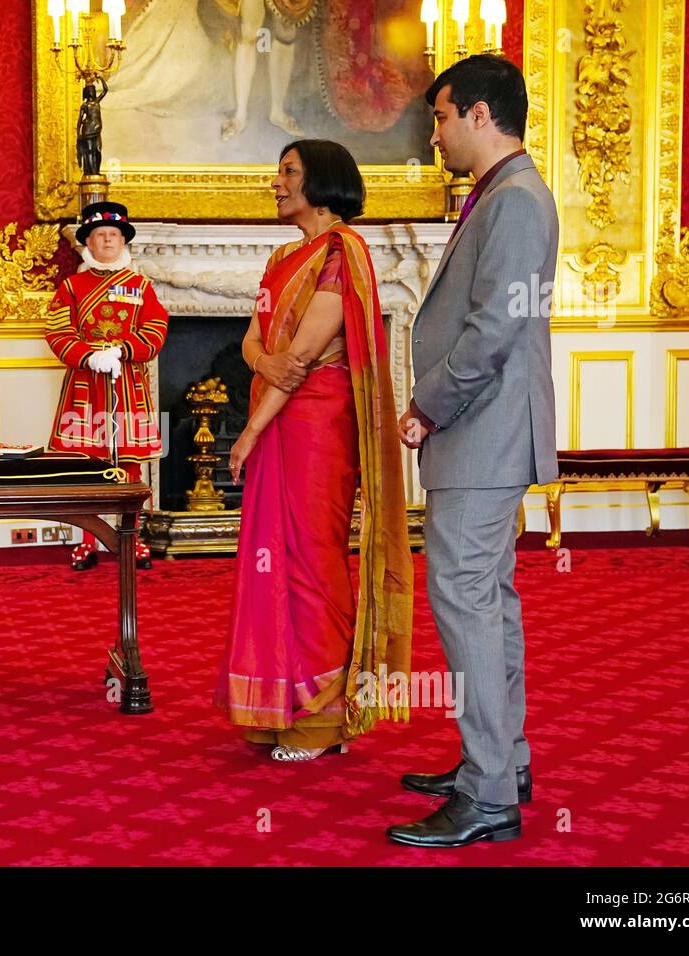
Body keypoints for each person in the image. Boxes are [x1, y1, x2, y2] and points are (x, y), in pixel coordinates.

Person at [386, 55, 559, 847]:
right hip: (484, 434)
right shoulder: (503, 194)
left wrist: (427, 405)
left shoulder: (517, 200)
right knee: (489, 601)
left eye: (443, 116)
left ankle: (489, 794)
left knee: (466, 606)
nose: (436, 133)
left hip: (481, 432)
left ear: (481, 115)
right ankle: (501, 762)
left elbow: (493, 330)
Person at [216, 140, 413, 760]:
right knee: (269, 559)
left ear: (322, 180)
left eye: (289, 172)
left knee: (310, 563)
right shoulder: (283, 255)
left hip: (315, 430)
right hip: (275, 415)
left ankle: (322, 718)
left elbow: (301, 360)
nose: (275, 182)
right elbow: (254, 341)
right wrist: (263, 363)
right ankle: (279, 707)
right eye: (278, 170)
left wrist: (249, 432)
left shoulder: (341, 251)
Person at [45, 201, 167, 571]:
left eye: (114, 235)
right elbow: (57, 330)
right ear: (89, 244)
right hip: (86, 387)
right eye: (101, 235)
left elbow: (156, 329)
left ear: (123, 241)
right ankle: (86, 542)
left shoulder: (141, 286)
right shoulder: (72, 286)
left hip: (128, 386)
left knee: (130, 466)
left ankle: (131, 538)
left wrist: (126, 349)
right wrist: (88, 355)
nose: (108, 241)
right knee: (86, 468)